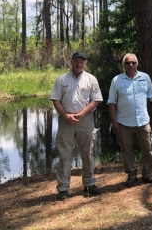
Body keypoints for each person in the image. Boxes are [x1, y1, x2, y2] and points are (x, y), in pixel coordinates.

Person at [49, 52, 103, 201]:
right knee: (65, 155)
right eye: (76, 61)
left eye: (82, 62)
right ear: (71, 62)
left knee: (88, 152)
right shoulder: (62, 79)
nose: (79, 64)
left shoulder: (91, 79)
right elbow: (55, 99)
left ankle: (89, 183)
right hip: (66, 121)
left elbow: (96, 100)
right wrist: (66, 115)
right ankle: (63, 188)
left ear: (84, 63)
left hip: (85, 120)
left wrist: (81, 114)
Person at [107, 53, 152, 187]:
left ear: (137, 64)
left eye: (133, 62)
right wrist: (114, 123)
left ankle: (148, 174)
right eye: (128, 63)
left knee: (148, 148)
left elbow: (149, 96)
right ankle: (131, 175)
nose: (131, 65)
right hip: (124, 122)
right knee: (126, 150)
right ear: (123, 65)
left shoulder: (145, 77)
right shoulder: (116, 80)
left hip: (142, 121)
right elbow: (111, 102)